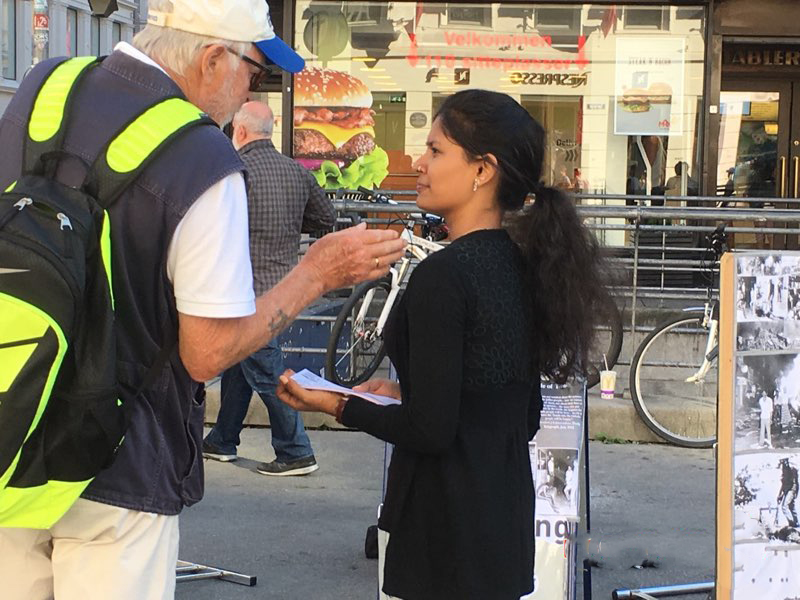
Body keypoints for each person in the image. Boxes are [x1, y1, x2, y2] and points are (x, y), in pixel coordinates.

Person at [0, 1, 406, 599]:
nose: (250, 92)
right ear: (213, 58)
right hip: (120, 462)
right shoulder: (203, 157)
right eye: (254, 72)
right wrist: (317, 274)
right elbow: (208, 353)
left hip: (14, 421)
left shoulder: (44, 88)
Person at [276, 89, 610, 599]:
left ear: (483, 170)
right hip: (503, 523)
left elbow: (430, 430)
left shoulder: (445, 276)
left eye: (435, 150)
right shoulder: (524, 267)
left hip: (442, 531)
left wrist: (336, 404)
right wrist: (407, 390)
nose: (418, 162)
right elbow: (520, 414)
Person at [202, 101, 334, 475]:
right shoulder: (296, 172)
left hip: (242, 290)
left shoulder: (234, 172)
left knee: (266, 373)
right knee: (240, 363)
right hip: (284, 290)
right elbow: (326, 218)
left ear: (240, 131)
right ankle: (222, 440)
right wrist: (290, 225)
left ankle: (296, 451)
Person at [777, 459, 799, 528]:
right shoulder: (785, 472)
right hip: (789, 490)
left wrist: (795, 492)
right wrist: (780, 495)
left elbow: (794, 483)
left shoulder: (791, 471)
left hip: (791, 490)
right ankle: (795, 522)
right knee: (791, 507)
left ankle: (792, 523)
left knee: (784, 506)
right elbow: (783, 485)